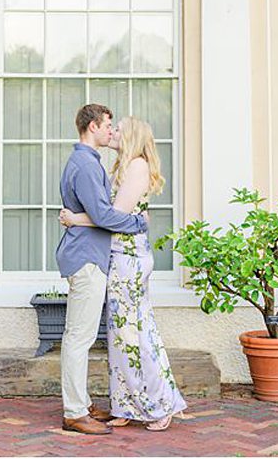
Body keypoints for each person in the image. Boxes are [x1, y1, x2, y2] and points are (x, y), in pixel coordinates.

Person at [61, 116, 187, 432]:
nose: (113, 131)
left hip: (130, 257)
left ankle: (159, 405)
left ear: (131, 136)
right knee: (120, 336)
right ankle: (128, 405)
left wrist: (77, 219)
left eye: (118, 129)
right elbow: (116, 213)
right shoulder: (122, 165)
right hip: (117, 255)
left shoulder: (137, 166)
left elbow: (112, 217)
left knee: (137, 332)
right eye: (110, 126)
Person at [53, 102, 154, 438]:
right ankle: (75, 412)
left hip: (89, 256)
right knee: (79, 338)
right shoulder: (85, 165)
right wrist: (139, 222)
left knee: (79, 336)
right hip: (86, 258)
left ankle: (81, 404)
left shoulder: (89, 162)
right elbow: (103, 216)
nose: (112, 132)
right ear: (92, 127)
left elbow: (94, 213)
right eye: (108, 125)